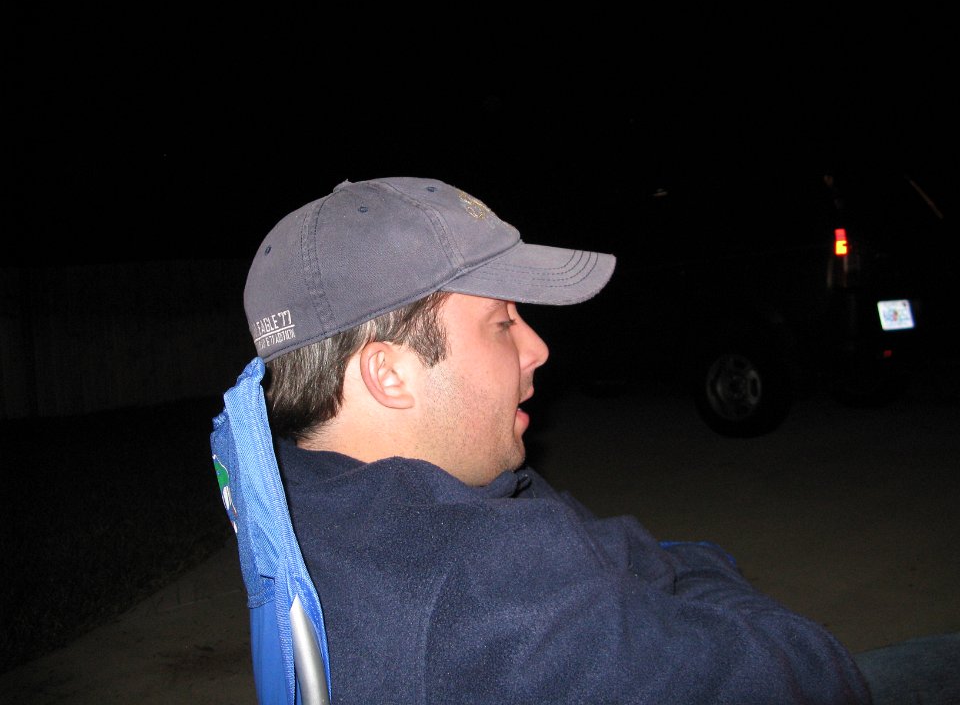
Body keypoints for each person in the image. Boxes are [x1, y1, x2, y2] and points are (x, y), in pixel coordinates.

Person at [241, 176, 872, 704]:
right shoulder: (490, 593)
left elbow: (591, 545)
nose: (538, 348)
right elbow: (815, 676)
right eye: (502, 323)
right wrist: (705, 572)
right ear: (390, 374)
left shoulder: (303, 497)